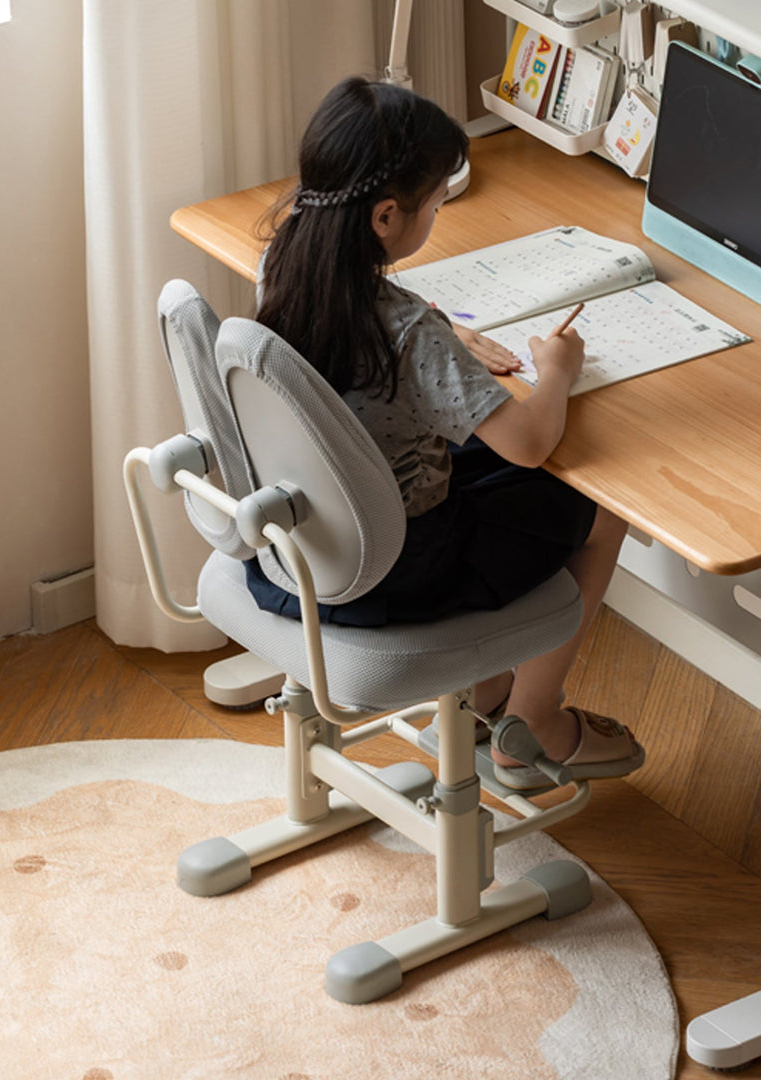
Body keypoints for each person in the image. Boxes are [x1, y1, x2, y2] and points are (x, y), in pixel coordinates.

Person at [252, 75, 642, 791]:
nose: (439, 213)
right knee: (604, 504)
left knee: (480, 463)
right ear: (386, 217)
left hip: (305, 548)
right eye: (436, 202)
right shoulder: (407, 332)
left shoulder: (282, 266)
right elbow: (528, 440)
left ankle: (482, 696)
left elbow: (381, 351)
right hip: (403, 566)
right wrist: (554, 370)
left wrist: (445, 342)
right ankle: (533, 726)